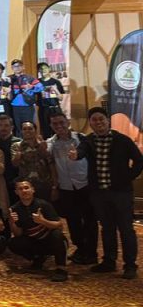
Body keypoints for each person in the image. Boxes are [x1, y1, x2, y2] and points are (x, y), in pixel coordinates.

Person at [70, 108, 143, 280]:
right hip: (99, 194)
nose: (98, 122)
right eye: (94, 120)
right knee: (107, 228)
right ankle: (109, 262)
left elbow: (139, 160)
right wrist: (75, 155)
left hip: (121, 193)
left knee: (126, 229)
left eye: (101, 119)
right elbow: (81, 151)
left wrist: (128, 177)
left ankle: (130, 265)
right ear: (90, 123)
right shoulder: (88, 140)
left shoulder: (123, 140)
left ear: (107, 120)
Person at [46, 112, 96, 265]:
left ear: (68, 122)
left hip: (84, 185)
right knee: (73, 222)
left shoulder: (81, 138)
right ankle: (81, 248)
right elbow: (47, 158)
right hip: (66, 188)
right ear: (51, 126)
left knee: (90, 220)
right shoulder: (50, 143)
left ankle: (91, 253)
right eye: (55, 124)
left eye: (61, 122)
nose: (59, 126)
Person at [7, 179, 68, 282]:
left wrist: (43, 221)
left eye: (26, 188)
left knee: (57, 235)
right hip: (33, 241)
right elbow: (18, 234)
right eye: (20, 189)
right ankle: (38, 258)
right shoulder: (14, 208)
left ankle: (61, 269)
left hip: (49, 240)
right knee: (13, 243)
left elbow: (59, 225)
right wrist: (12, 222)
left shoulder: (44, 204)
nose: (24, 191)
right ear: (16, 192)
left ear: (33, 190)